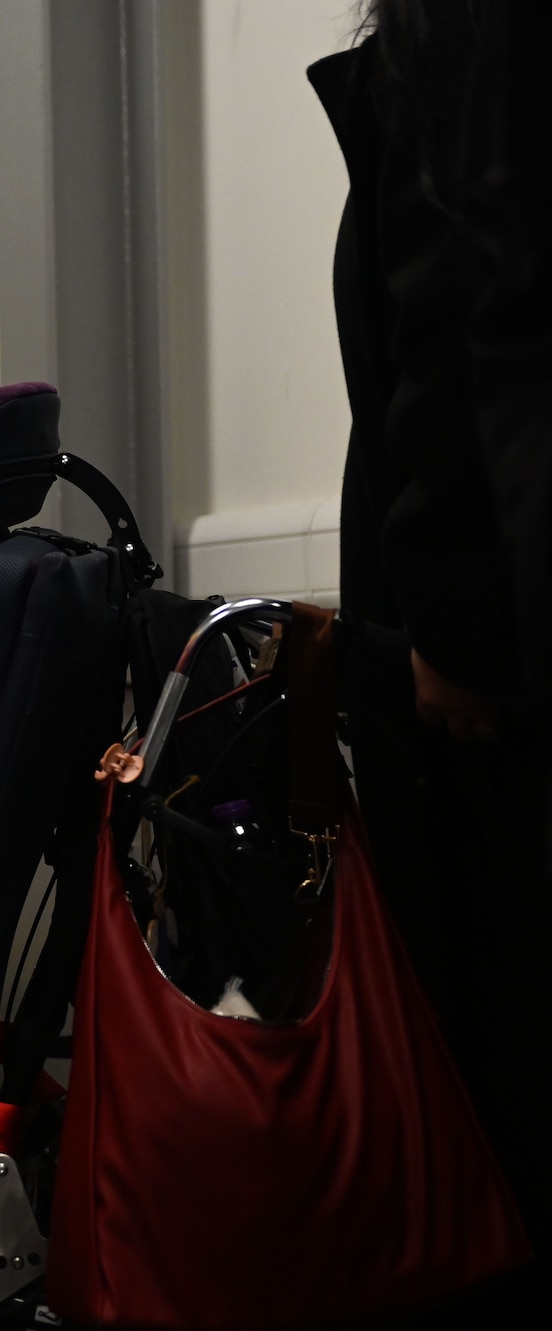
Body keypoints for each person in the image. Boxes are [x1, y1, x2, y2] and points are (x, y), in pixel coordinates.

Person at [312, 1, 550, 1317]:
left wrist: (458, 618)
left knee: (493, 1086)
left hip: (484, 673)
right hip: (477, 640)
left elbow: (468, 322)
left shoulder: (464, 55)